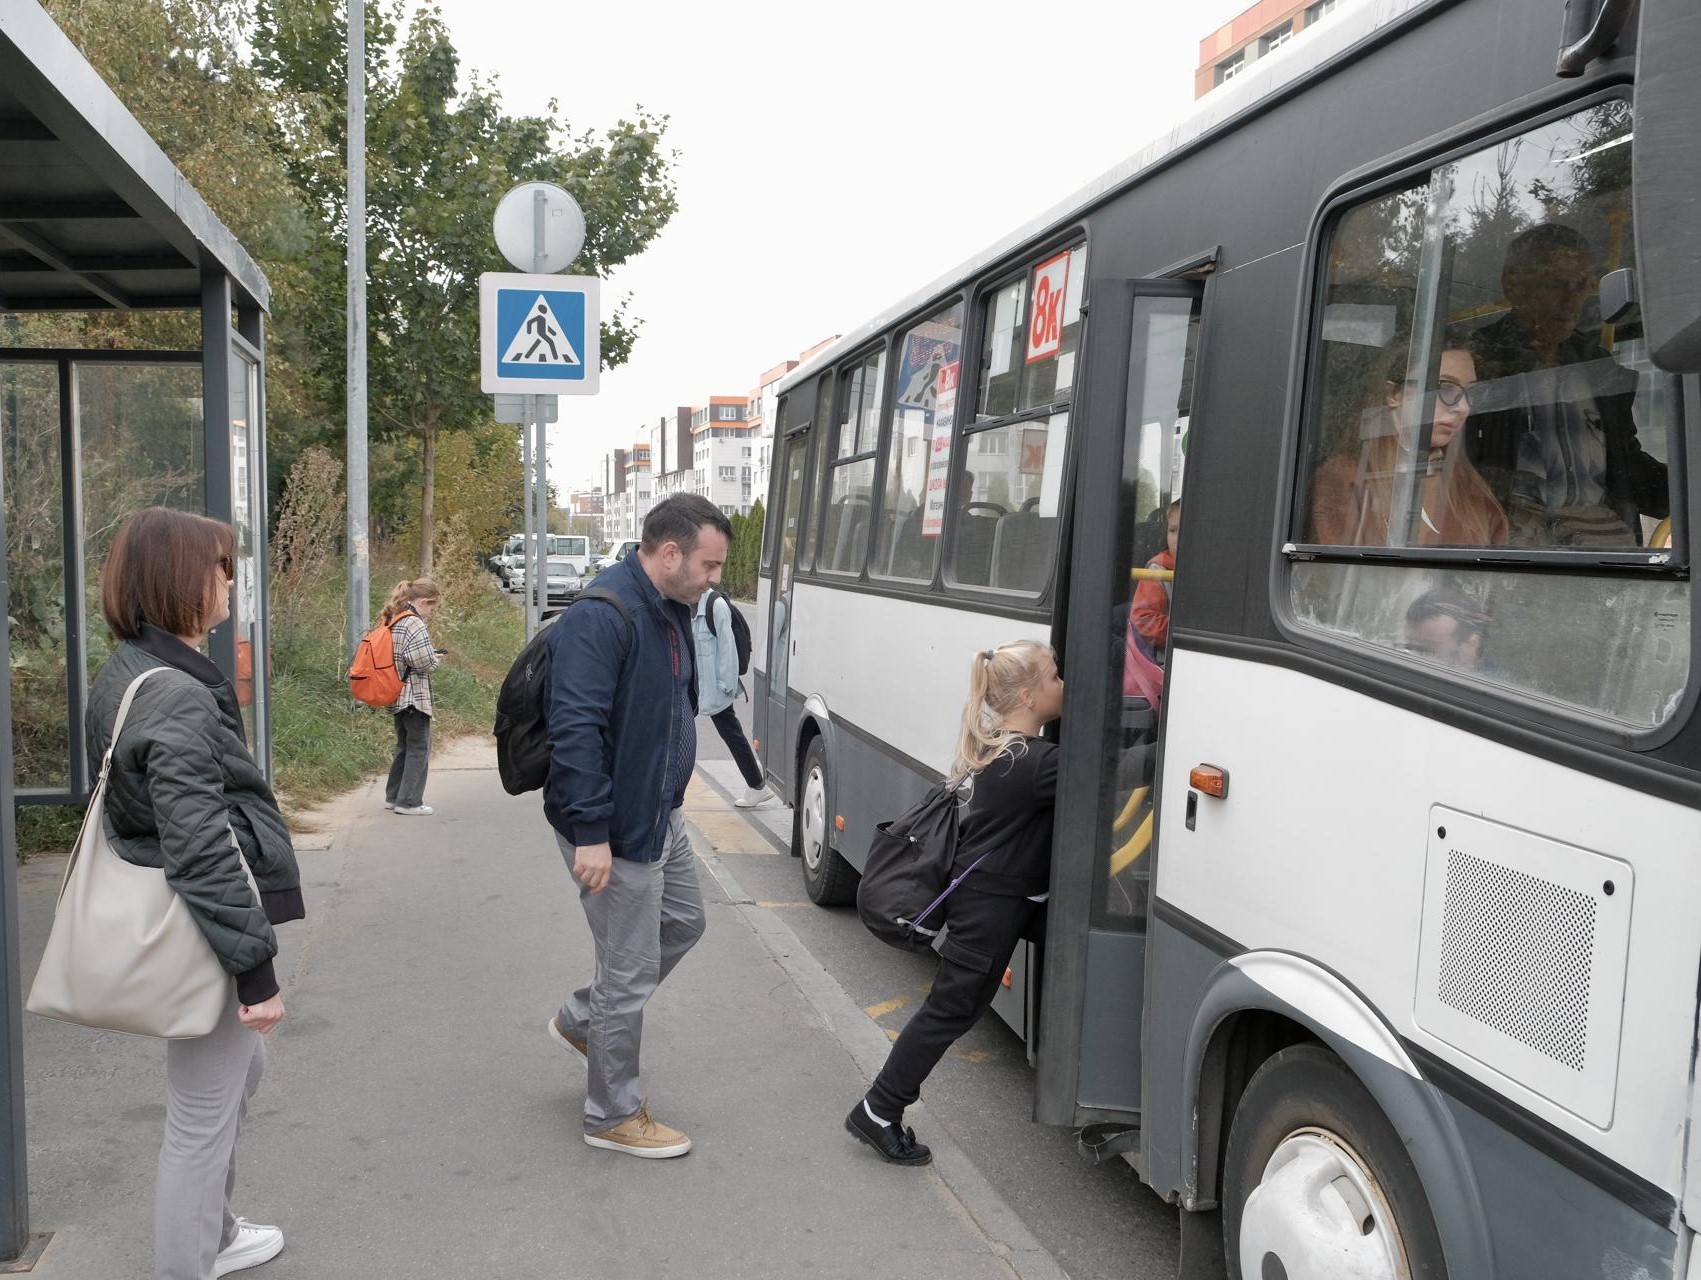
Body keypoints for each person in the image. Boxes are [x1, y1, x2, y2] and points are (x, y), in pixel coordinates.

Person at [85, 507, 304, 1279]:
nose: (229, 583)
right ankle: (193, 1253)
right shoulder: (174, 693)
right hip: (200, 928)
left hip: (191, 918)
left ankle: (213, 1230)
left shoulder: (137, 670)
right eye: (221, 567)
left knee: (237, 1074)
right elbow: (199, 843)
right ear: (181, 577)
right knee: (200, 1119)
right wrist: (256, 972)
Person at [543, 494, 730, 1158]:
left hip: (657, 813)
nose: (715, 579)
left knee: (683, 922)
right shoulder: (603, 616)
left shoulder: (672, 610)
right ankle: (611, 1113)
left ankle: (583, 1019)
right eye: (708, 565)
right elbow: (575, 731)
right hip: (616, 826)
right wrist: (592, 832)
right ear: (670, 552)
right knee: (627, 968)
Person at [846, 640, 1063, 1166]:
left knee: (957, 1008)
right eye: (1056, 677)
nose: (1064, 685)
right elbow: (1107, 774)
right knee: (950, 1010)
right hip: (989, 908)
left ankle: (881, 1106)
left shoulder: (1003, 749)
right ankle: (878, 1109)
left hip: (1001, 902)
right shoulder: (1032, 762)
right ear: (1031, 696)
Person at [1466, 223, 1668, 545]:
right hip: (1517, 560)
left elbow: (1626, 468)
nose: (1570, 301)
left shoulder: (1596, 367)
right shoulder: (1477, 364)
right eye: (1555, 285)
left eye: (1579, 287)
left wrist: (1687, 492)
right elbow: (1464, 475)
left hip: (1609, 557)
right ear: (1513, 284)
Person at [1310, 340, 1508, 547]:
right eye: (1445, 388)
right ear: (1394, 394)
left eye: (1472, 393)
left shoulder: (1470, 490)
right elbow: (1338, 572)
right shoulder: (1347, 479)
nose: (1463, 407)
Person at [693, 588, 771, 808]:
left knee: (732, 734)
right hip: (696, 684)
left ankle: (757, 785)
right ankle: (757, 784)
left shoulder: (715, 606)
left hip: (715, 687)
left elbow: (728, 650)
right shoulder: (689, 602)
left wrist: (725, 686)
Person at [380, 578, 444, 817]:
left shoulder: (394, 617)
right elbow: (424, 662)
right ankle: (409, 802)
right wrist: (436, 658)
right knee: (419, 747)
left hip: (396, 694)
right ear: (424, 601)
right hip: (413, 696)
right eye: (432, 607)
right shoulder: (414, 623)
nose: (430, 613)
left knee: (404, 745)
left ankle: (393, 796)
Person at [1131, 500, 1181, 665]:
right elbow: (1143, 619)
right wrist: (1181, 628)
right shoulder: (1158, 569)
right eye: (1172, 530)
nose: (1176, 538)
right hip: (1164, 660)